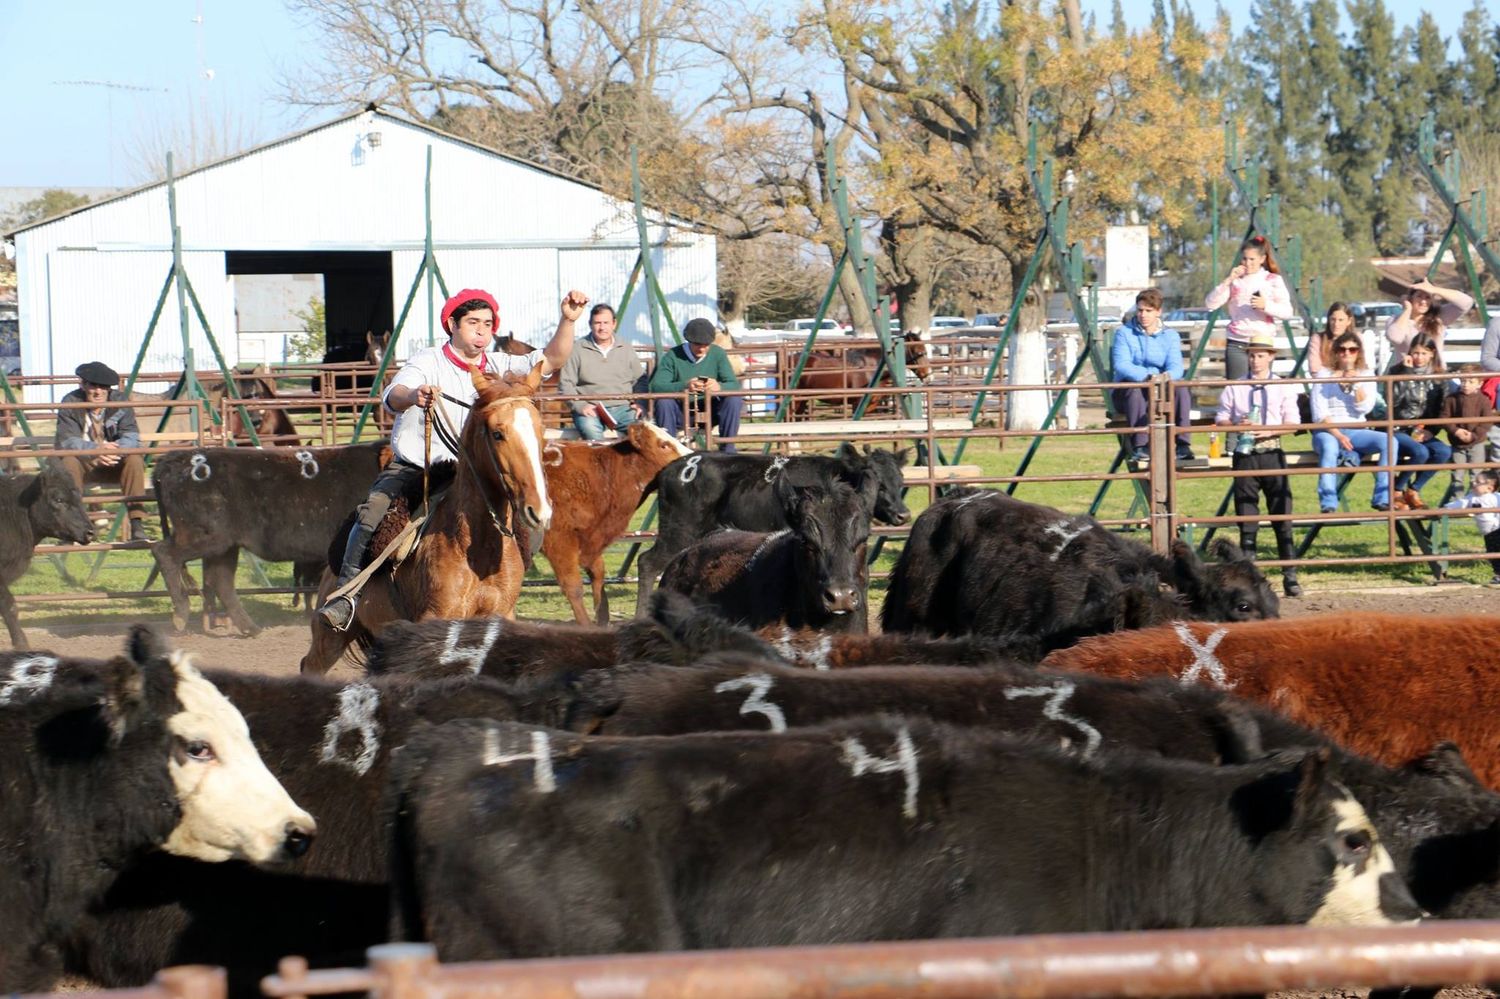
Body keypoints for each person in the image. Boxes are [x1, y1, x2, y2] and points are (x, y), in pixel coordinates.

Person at [316, 287, 589, 630]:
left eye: (488, 324)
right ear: (453, 325)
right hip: (420, 468)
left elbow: (552, 360)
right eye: (473, 322)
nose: (482, 330)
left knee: (528, 522)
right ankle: (347, 594)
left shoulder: (502, 364)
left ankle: (501, 588)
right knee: (373, 514)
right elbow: (393, 396)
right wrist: (414, 394)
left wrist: (568, 320)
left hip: (475, 474)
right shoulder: (427, 361)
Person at [1213, 332, 1304, 597]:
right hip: (1245, 452)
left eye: (1260, 355)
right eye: (1252, 355)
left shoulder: (1282, 386)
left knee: (1281, 513)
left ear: (1271, 357)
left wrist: (1271, 430)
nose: (1255, 360)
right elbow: (1221, 418)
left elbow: (1294, 423)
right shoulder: (1235, 386)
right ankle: (1249, 576)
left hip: (1272, 450)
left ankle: (1290, 575)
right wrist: (1236, 424)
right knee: (1246, 513)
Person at [54, 361, 148, 542]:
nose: (98, 392)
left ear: (109, 389)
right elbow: (68, 440)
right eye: (93, 386)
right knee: (69, 461)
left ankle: (137, 524)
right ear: (83, 385)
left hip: (114, 463)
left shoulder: (120, 401)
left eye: (103, 387)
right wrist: (97, 450)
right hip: (85, 464)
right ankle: (70, 527)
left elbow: (131, 435)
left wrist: (115, 452)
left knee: (135, 458)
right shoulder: (71, 402)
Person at [1309, 331, 1391, 514]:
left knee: (1390, 441)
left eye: (1352, 350)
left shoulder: (1366, 374)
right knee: (1330, 447)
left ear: (1358, 353)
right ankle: (1328, 501)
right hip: (1327, 430)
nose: (1347, 353)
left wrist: (1356, 384)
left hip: (1356, 430)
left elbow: (1365, 408)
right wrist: (1338, 434)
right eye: (1342, 349)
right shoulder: (1324, 374)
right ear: (1335, 352)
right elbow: (1319, 413)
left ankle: (1382, 497)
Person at [1109, 287, 1194, 464]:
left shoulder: (1170, 336)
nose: (1143, 315)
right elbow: (1122, 365)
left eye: (1149, 311)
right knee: (1135, 391)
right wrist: (1148, 377)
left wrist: (1163, 379)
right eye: (1140, 310)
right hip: (1130, 389)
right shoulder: (1124, 333)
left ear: (1158, 312)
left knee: (1180, 388)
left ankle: (1183, 444)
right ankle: (1141, 445)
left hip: (1159, 387)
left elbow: (1176, 366)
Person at [1204, 235, 1294, 381]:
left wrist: (1266, 306)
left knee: (1261, 388)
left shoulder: (1272, 280)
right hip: (1237, 342)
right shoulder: (1235, 281)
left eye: (1252, 259)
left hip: (1262, 342)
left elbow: (1287, 312)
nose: (1248, 263)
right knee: (1237, 389)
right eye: (1245, 259)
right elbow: (1210, 304)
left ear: (1262, 259)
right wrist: (1228, 280)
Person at [650, 317, 743, 452]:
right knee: (664, 401)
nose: (702, 348)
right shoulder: (673, 356)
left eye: (706, 344)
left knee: (733, 399)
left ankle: (728, 449)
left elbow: (733, 384)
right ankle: (668, 450)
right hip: (680, 412)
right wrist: (684, 386)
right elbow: (657, 386)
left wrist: (719, 387)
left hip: (711, 411)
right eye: (697, 344)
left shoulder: (718, 354)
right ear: (689, 341)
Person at [558, 303, 646, 440]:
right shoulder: (578, 348)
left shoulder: (625, 348)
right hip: (591, 408)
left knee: (644, 432)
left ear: (614, 324)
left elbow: (640, 379)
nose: (602, 327)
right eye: (597, 323)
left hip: (623, 408)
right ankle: (601, 461)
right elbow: (566, 383)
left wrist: (640, 403)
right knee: (590, 431)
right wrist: (580, 406)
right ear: (590, 324)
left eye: (606, 322)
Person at [1387, 333, 1453, 510]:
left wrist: (1431, 430)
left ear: (1432, 353)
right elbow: (1393, 401)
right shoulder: (1396, 372)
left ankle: (1414, 489)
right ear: (1409, 353)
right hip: (1399, 427)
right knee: (1421, 452)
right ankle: (1397, 490)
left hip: (1424, 429)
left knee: (1443, 452)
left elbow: (1442, 408)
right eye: (1415, 353)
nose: (1419, 358)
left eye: (1424, 353)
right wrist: (1406, 374)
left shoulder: (1440, 378)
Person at [1384, 278, 1474, 370]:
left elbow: (1467, 303)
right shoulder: (1396, 319)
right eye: (1419, 296)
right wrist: (1407, 310)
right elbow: (1395, 338)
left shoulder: (1439, 317)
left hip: (1435, 375)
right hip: (1407, 375)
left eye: (1427, 297)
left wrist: (1435, 290)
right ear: (1410, 298)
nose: (1423, 302)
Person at [1442, 469, 1500, 584]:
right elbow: (1460, 503)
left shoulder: (1495, 497)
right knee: (1492, 554)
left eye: (1478, 482)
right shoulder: (1471, 497)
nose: (1473, 482)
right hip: (1487, 533)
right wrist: (1446, 507)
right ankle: (1498, 574)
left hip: (1497, 529)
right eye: (1474, 480)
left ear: (1489, 488)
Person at [1444, 364, 1493, 493]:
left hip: (1477, 443)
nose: (1466, 384)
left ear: (1479, 384)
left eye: (1471, 381)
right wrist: (1456, 431)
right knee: (1457, 476)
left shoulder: (1484, 401)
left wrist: (1474, 435)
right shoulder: (1451, 399)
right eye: (1463, 380)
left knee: (1476, 475)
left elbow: (1486, 422)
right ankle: (1456, 503)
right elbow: (1444, 418)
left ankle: (1474, 502)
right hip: (1457, 444)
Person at [1307, 302, 1389, 380]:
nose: (1336, 324)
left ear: (1349, 321)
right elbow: (1315, 370)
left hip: (1353, 383)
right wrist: (1336, 375)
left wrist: (1351, 375)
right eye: (1333, 319)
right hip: (1326, 386)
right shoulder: (1318, 339)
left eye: (1340, 320)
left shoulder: (1357, 338)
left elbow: (1363, 365)